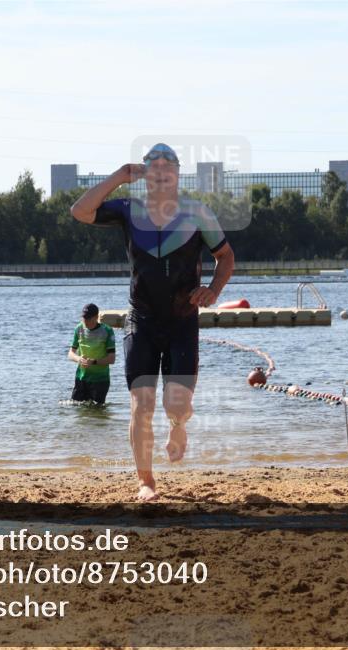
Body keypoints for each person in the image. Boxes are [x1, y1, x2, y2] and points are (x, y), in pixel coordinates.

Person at [70, 143, 235, 501]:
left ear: (178, 173)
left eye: (168, 165)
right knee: (141, 405)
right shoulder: (129, 210)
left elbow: (225, 257)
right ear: (144, 174)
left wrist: (213, 290)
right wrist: (119, 176)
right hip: (141, 321)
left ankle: (177, 427)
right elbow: (80, 211)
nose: (161, 170)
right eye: (153, 165)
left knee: (177, 405)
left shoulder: (196, 213)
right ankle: (146, 481)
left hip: (182, 321)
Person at [68, 303, 116, 405]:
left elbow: (111, 359)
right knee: (76, 409)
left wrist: (93, 362)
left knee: (97, 412)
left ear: (96, 317)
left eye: (88, 318)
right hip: (81, 378)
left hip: (100, 380)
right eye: (84, 318)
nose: (85, 321)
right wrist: (79, 359)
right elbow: (70, 354)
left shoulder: (107, 331)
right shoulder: (79, 328)